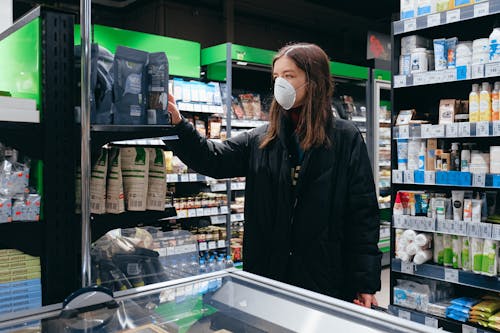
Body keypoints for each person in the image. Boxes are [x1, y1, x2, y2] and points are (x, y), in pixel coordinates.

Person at [166, 43, 382, 307]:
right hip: (268, 276)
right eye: (277, 77)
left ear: (314, 81)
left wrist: (364, 281)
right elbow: (213, 159)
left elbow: (362, 215)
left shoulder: (345, 139)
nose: (281, 83)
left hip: (325, 278)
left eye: (289, 76)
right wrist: (179, 126)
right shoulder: (262, 139)